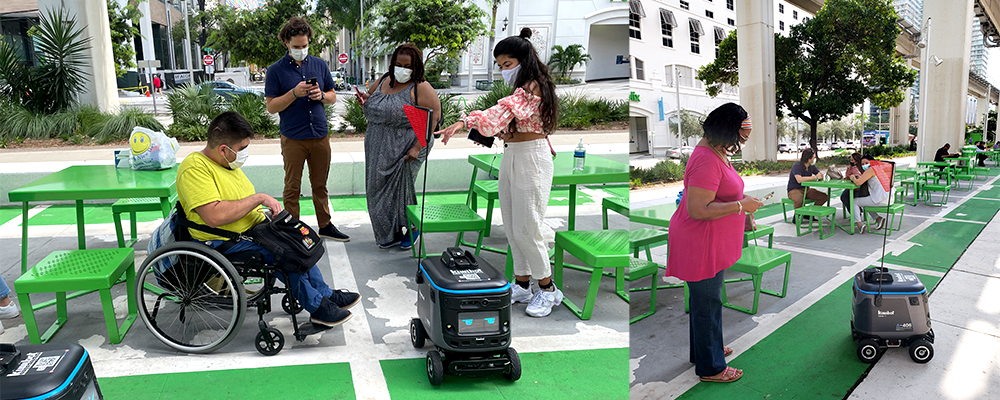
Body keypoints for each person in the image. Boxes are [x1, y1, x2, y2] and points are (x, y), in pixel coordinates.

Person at [176, 111, 359, 328]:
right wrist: (259, 199)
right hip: (223, 239)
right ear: (224, 149)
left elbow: (238, 202)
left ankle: (325, 293)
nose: (244, 153)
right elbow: (214, 216)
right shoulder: (195, 168)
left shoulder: (226, 164)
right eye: (242, 149)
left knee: (298, 240)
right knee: (285, 253)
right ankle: (318, 307)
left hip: (250, 229)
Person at [436, 28, 562, 318]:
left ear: (523, 60)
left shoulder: (532, 87)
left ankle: (548, 288)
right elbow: (501, 124)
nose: (504, 70)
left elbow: (498, 115)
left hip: (533, 159)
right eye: (501, 65)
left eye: (508, 64)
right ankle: (522, 283)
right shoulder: (522, 88)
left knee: (528, 228)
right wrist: (472, 125)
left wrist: (464, 121)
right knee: (512, 226)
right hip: (513, 155)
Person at [666, 103, 763, 383]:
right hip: (700, 243)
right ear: (727, 131)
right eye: (741, 136)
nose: (742, 142)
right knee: (707, 303)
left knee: (707, 302)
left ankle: (705, 351)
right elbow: (698, 209)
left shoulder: (717, 152)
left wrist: (743, 209)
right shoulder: (706, 159)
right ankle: (711, 368)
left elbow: (724, 194)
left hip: (710, 243)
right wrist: (739, 207)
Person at [264, 17, 349, 242]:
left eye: (304, 45)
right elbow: (271, 106)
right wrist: (294, 93)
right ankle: (293, 231)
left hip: (320, 134)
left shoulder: (319, 65)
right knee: (292, 186)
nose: (301, 49)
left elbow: (332, 96)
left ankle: (325, 225)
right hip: (293, 137)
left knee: (320, 184)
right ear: (286, 43)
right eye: (296, 46)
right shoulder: (275, 71)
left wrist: (320, 95)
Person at [357, 43, 441, 249]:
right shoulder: (384, 80)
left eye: (408, 66)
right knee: (376, 190)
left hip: (408, 147)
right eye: (398, 64)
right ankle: (389, 233)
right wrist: (367, 100)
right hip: (378, 145)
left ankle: (412, 227)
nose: (402, 69)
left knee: (402, 190)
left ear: (416, 67)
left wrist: (417, 147)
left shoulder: (420, 87)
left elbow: (433, 118)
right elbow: (376, 101)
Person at [848, 155, 893, 233]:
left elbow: (858, 183)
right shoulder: (878, 168)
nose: (864, 165)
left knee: (854, 201)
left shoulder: (870, 170)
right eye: (862, 164)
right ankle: (878, 219)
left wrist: (853, 178)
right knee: (865, 202)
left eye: (866, 162)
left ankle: (859, 224)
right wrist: (859, 177)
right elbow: (866, 178)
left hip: (882, 199)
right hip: (890, 198)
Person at [786, 148, 829, 213]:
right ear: (809, 159)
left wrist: (820, 176)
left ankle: (811, 213)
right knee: (799, 199)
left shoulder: (812, 166)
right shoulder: (797, 166)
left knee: (824, 197)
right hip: (794, 189)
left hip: (806, 189)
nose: (815, 160)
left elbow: (818, 174)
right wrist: (815, 177)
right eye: (814, 158)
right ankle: (797, 217)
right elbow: (799, 179)